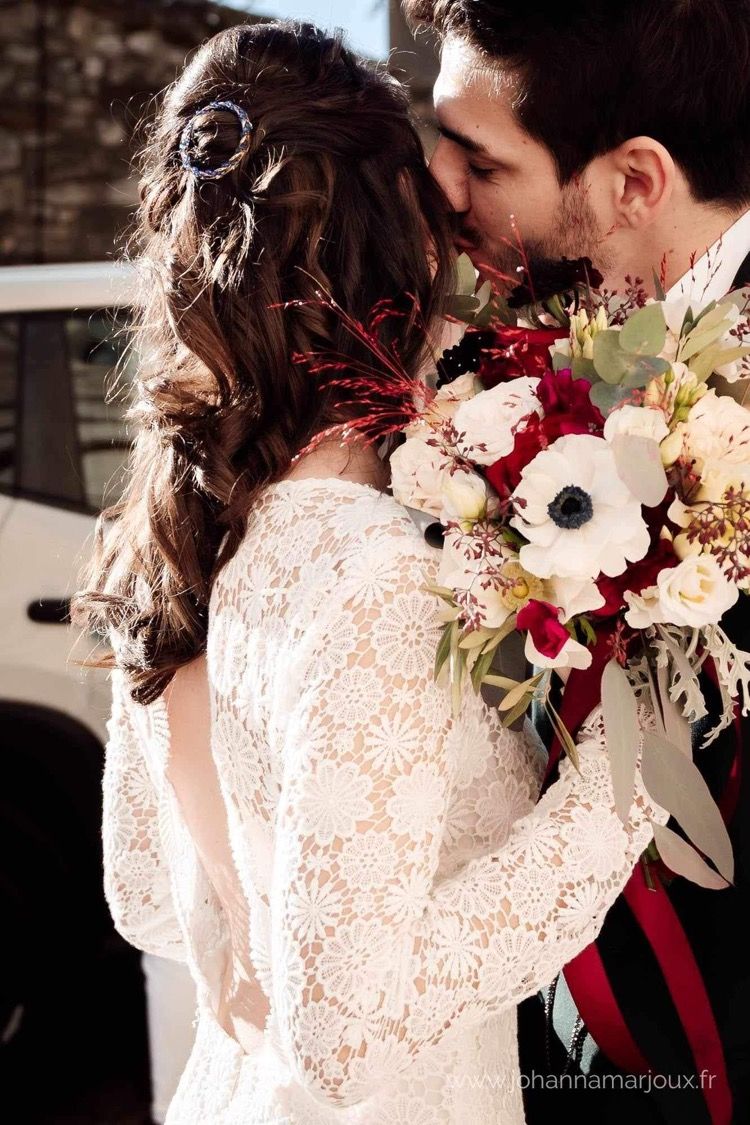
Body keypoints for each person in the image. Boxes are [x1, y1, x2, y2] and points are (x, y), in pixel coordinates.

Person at [73, 20, 668, 1124]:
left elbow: (148, 900)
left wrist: (251, 914)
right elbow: (342, 1041)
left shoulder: (188, 535)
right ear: (401, 261)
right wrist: (619, 794)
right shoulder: (380, 583)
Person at [403, 2, 750, 1122]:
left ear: (634, 182)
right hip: (543, 1038)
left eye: (480, 158)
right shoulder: (504, 355)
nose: (441, 188)